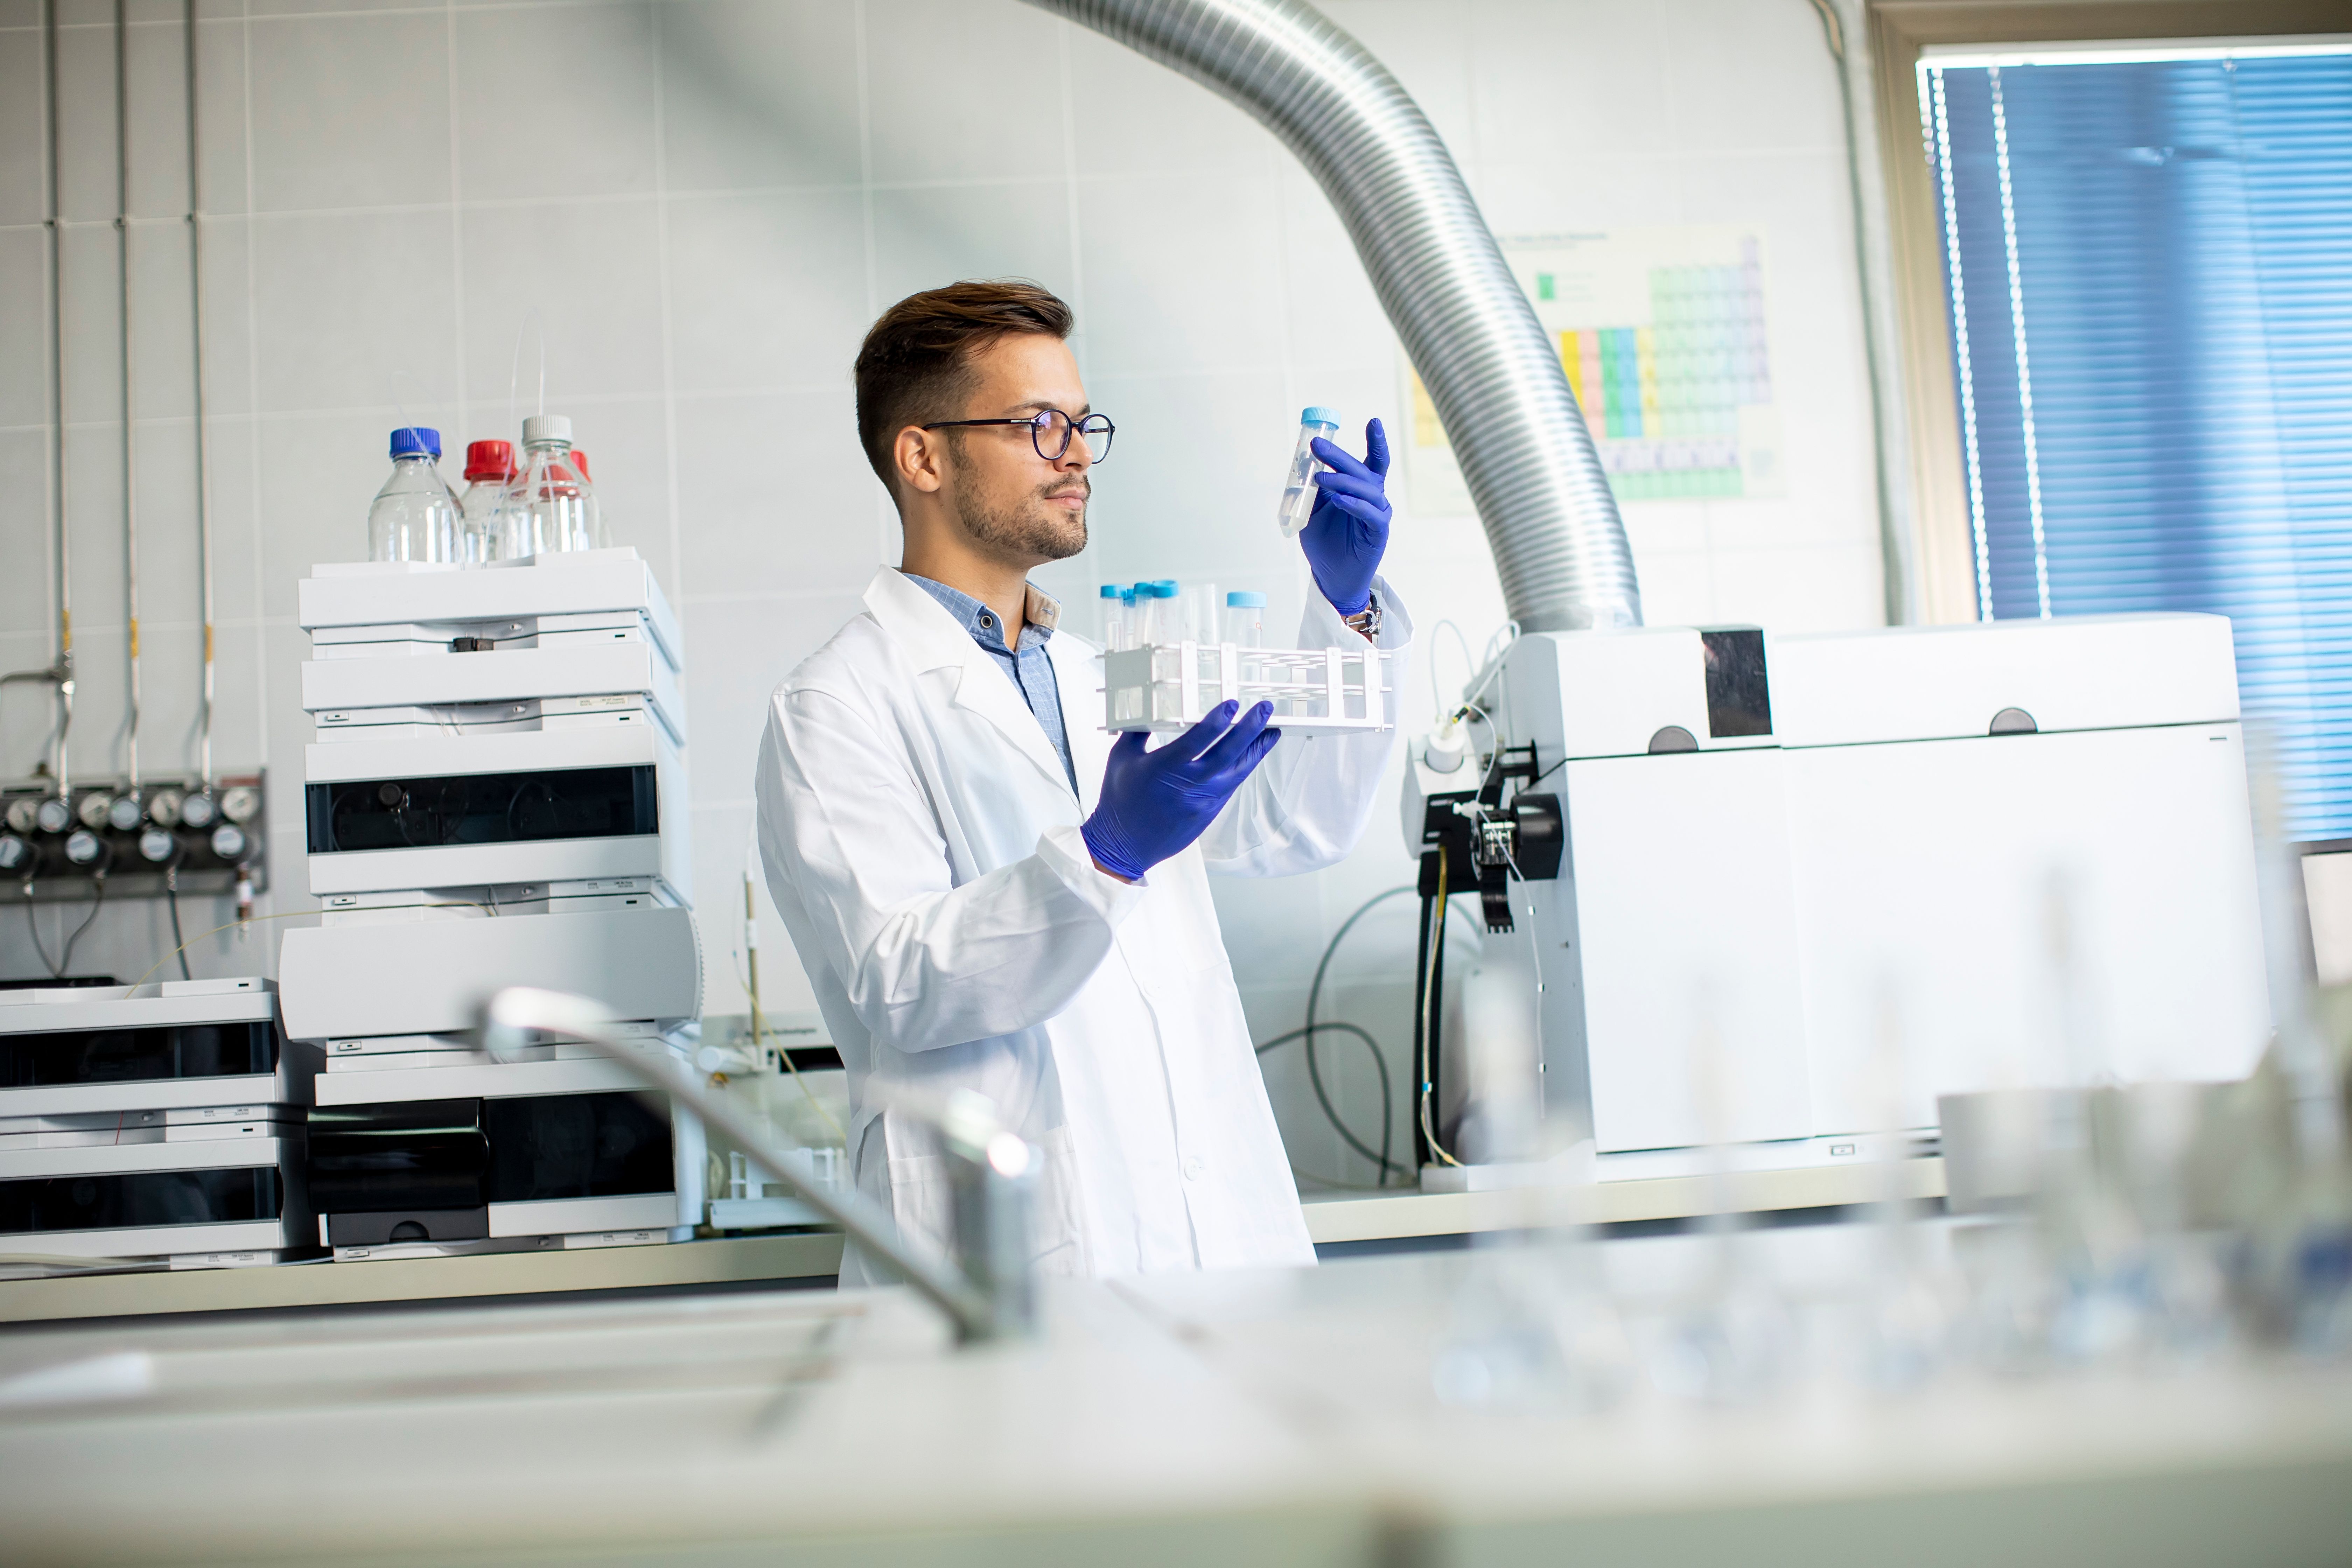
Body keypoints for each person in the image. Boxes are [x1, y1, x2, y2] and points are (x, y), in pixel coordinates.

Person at [755, 279, 1409, 1281]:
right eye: (1038, 424)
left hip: (1212, 1251)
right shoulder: (837, 705)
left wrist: (1344, 608)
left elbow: (1296, 825)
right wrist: (1103, 856)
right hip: (1011, 1271)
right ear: (923, 455)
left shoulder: (1112, 677)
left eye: (1082, 422)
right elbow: (902, 986)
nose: (1075, 453)